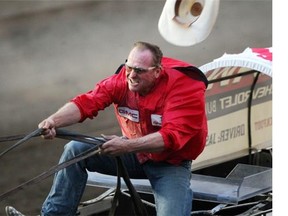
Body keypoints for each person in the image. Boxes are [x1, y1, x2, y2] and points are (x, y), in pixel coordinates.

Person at [5, 41, 208, 216]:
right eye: (129, 67)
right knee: (75, 149)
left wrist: (126, 146)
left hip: (170, 164)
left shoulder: (185, 86)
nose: (131, 75)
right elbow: (88, 102)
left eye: (139, 70)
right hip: (135, 153)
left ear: (157, 72)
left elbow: (171, 137)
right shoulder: (124, 78)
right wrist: (53, 121)